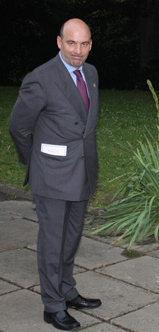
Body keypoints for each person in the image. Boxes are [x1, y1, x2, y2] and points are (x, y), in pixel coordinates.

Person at [9, 18, 101, 331]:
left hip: (82, 171)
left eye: (84, 43)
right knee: (52, 242)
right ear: (59, 42)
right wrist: (35, 161)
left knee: (71, 238)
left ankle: (67, 290)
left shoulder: (90, 73)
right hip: (51, 175)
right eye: (72, 43)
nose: (78, 50)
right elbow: (18, 126)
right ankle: (53, 305)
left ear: (90, 45)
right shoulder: (41, 79)